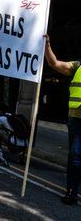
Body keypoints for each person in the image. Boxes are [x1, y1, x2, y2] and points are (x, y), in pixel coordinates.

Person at [44, 34, 81, 205]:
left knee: (76, 155)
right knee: (74, 155)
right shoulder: (77, 66)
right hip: (76, 120)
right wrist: (47, 46)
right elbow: (54, 63)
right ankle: (72, 191)